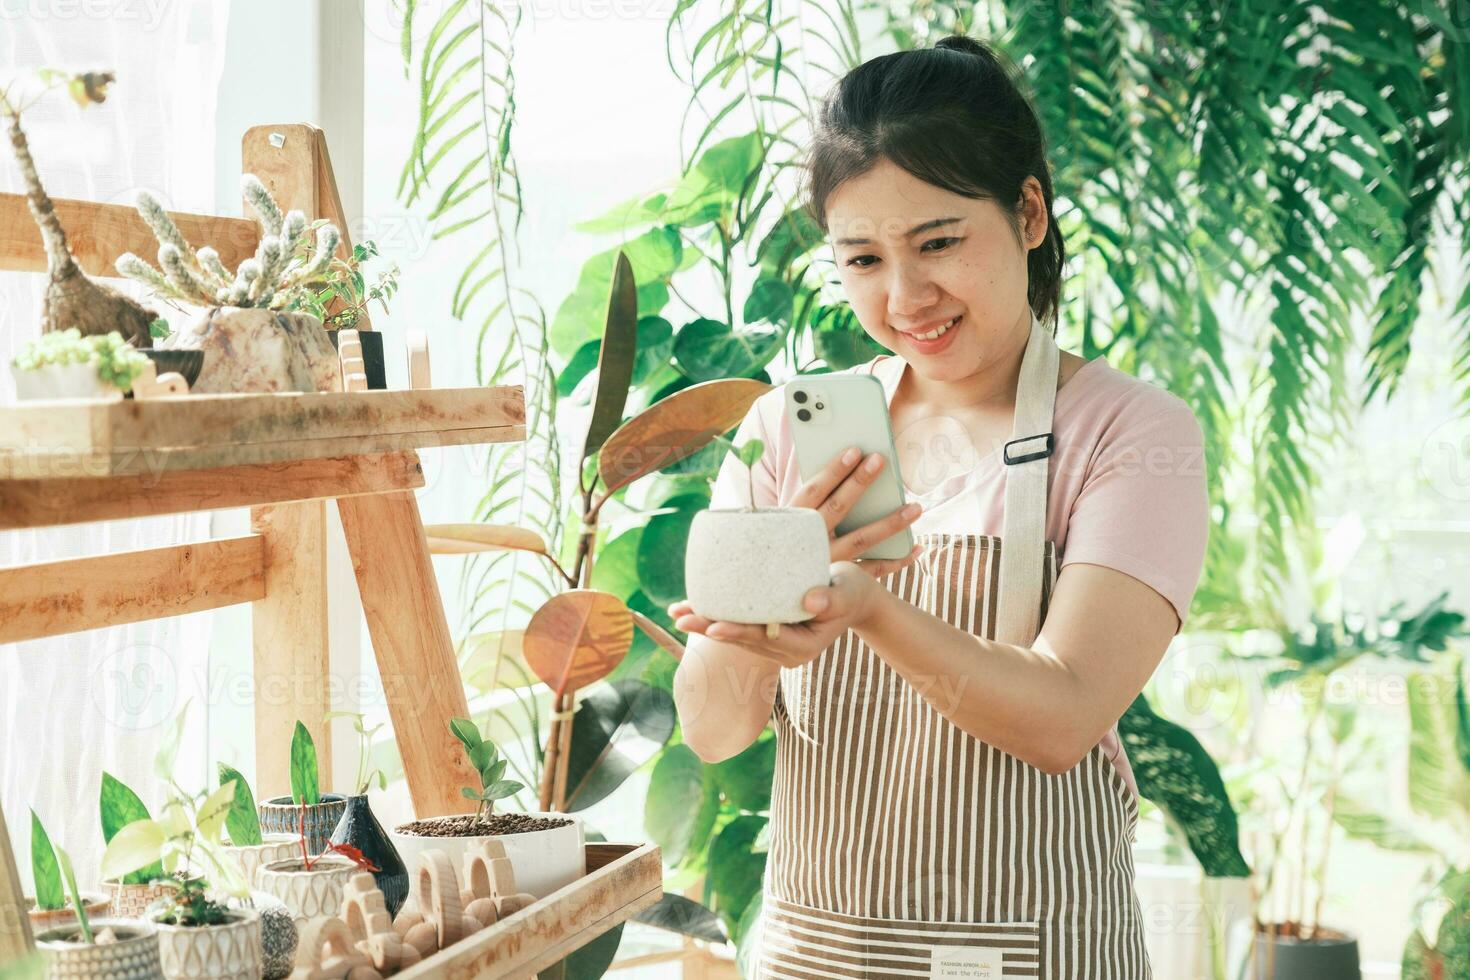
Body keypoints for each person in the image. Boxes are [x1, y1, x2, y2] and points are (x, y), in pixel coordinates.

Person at [667, 33, 1209, 980]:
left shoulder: (1130, 433)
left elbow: (1063, 716)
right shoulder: (789, 433)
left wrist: (868, 608)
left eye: (939, 242)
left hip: (1036, 958)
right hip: (815, 955)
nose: (905, 295)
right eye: (862, 258)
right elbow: (714, 732)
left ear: (1028, 212)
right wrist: (758, 603)